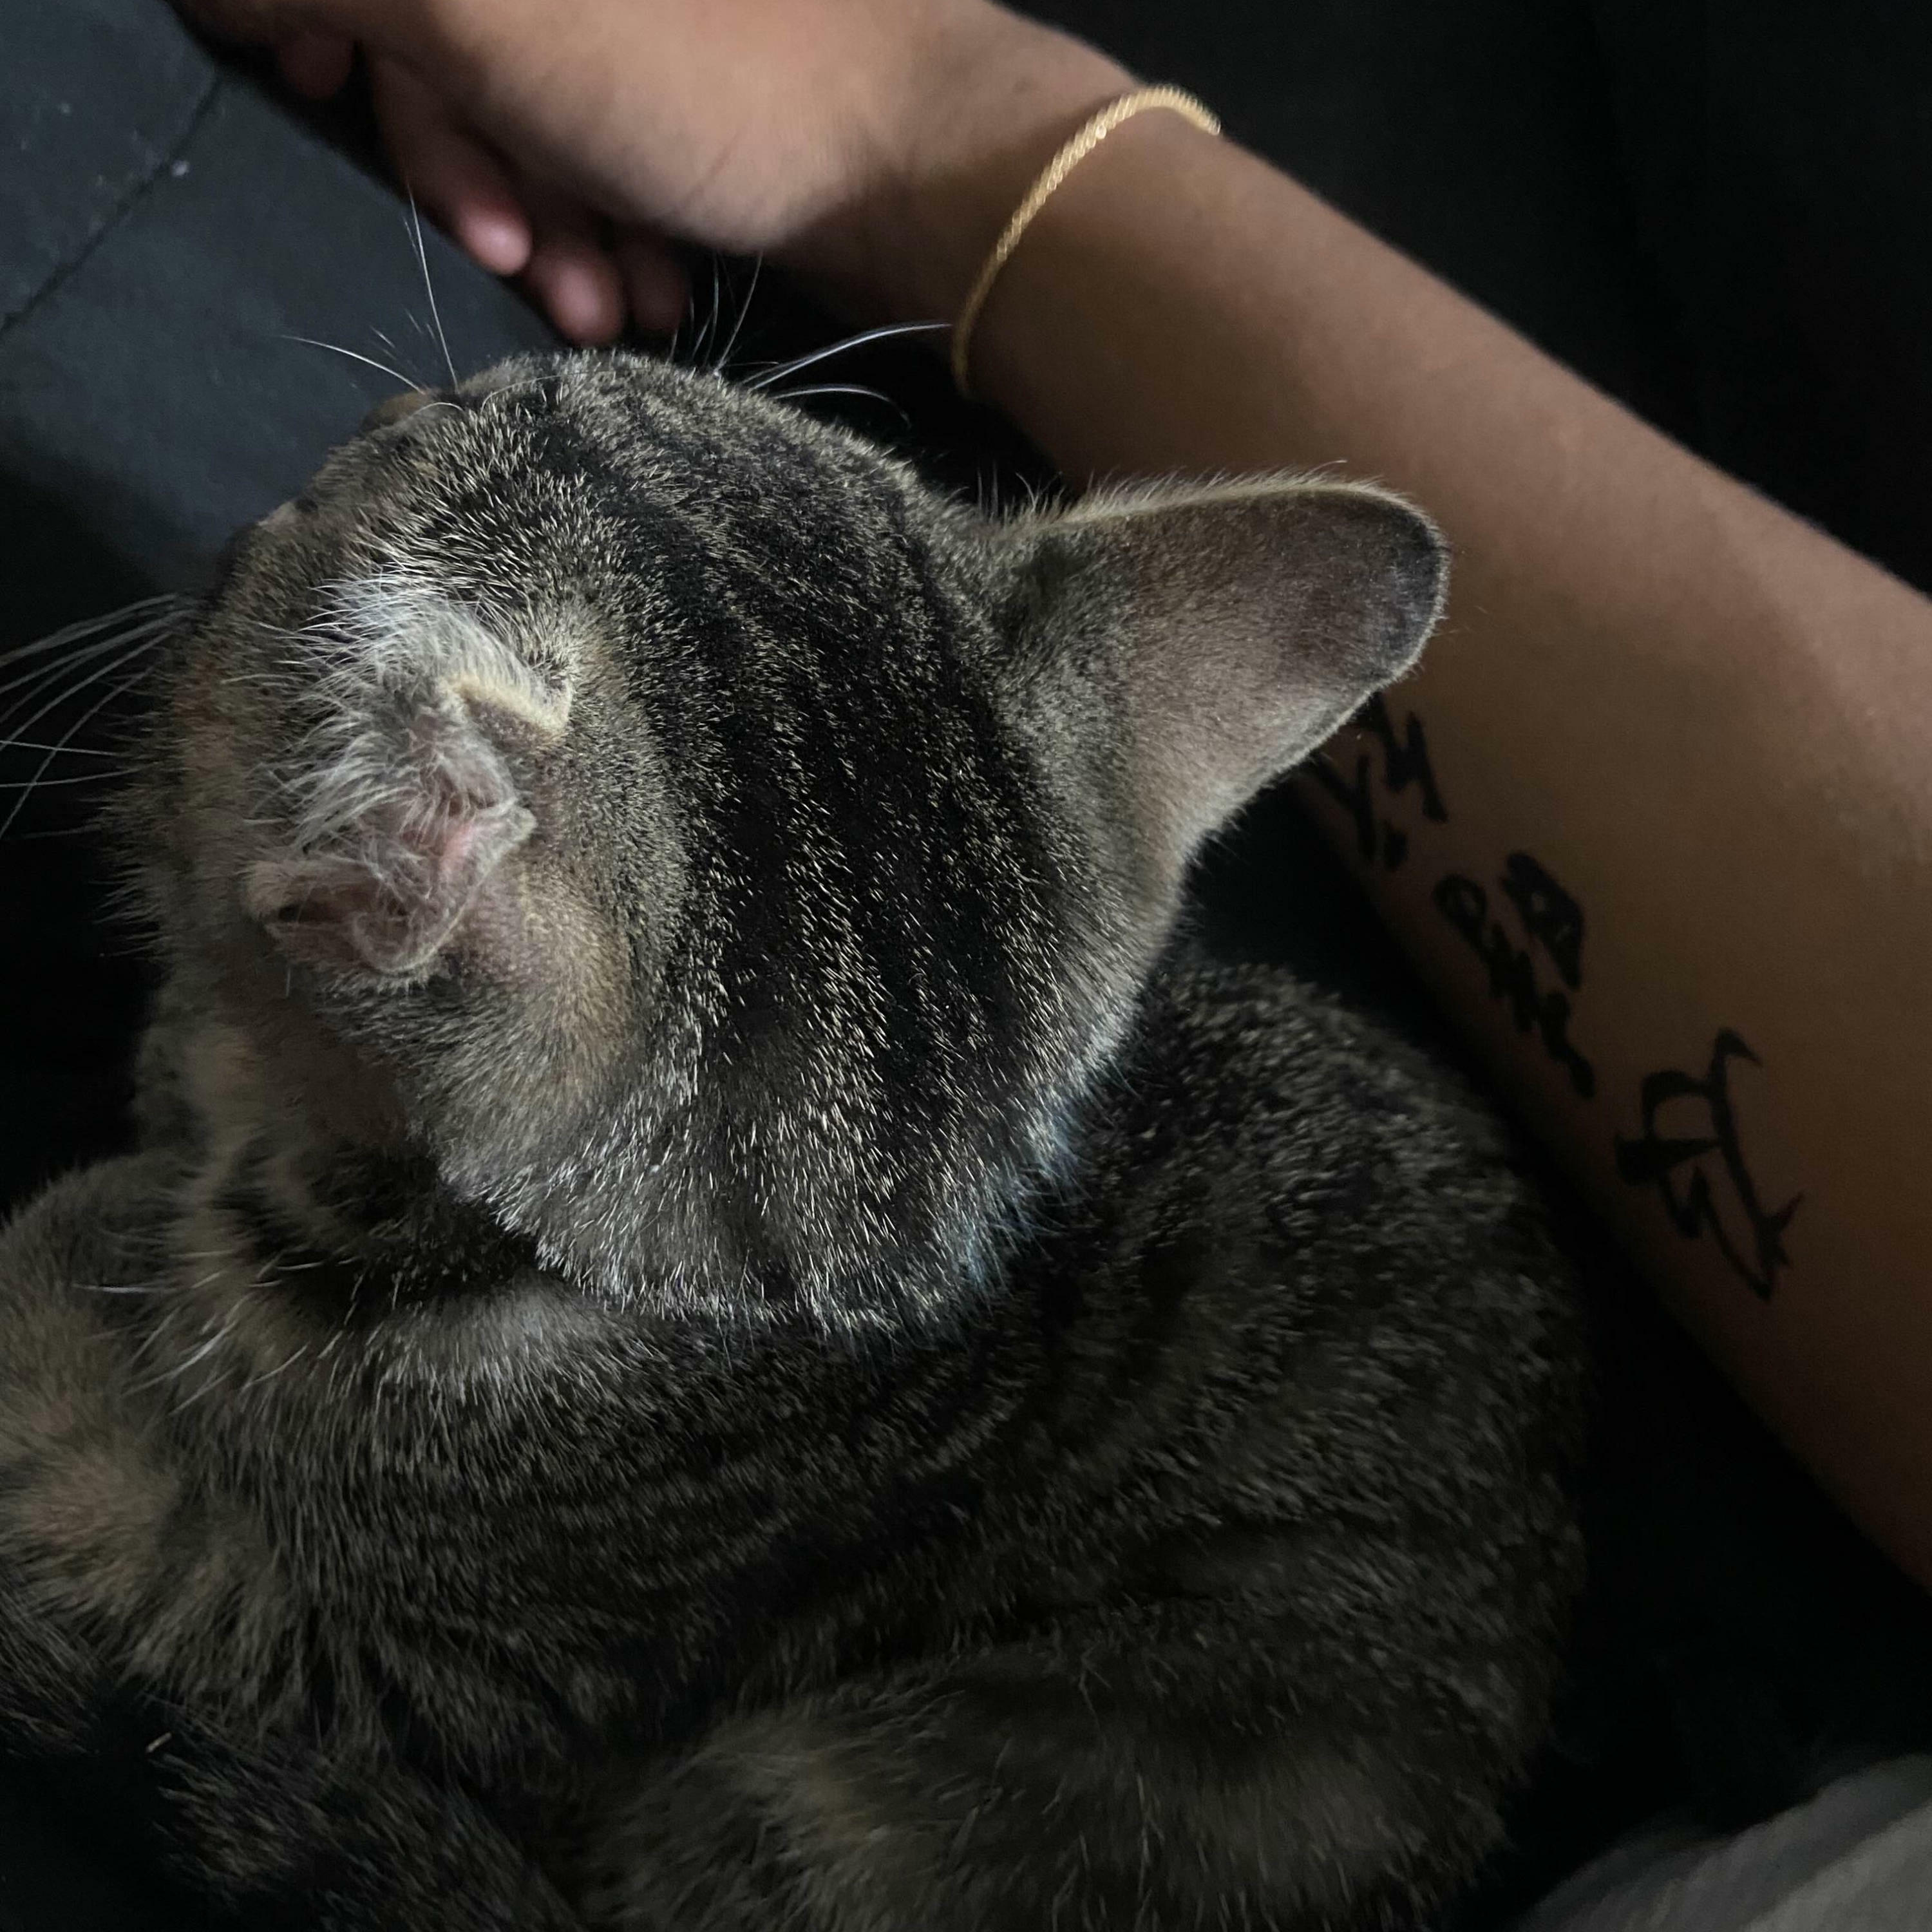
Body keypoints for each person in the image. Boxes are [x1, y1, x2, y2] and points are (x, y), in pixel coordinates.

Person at [2, 2, 1928, 1924]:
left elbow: (290, 1666)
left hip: (1091, 1728)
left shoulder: (446, 1465)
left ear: (406, 881)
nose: (333, 463)